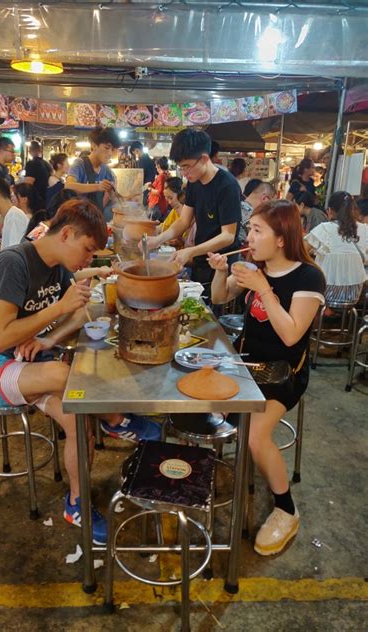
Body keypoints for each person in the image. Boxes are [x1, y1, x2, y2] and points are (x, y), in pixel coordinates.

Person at [0, 198, 161, 544]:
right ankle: (116, 420)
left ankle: (76, 504)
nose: (87, 259)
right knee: (70, 378)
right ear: (66, 233)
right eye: (87, 250)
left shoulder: (58, 269)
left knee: (78, 416)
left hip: (25, 363)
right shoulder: (13, 262)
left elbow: (79, 313)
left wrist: (50, 340)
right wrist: (58, 311)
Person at [209, 199, 326, 556]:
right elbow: (219, 296)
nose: (250, 236)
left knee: (255, 439)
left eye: (258, 230)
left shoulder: (308, 277)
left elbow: (291, 335)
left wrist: (262, 288)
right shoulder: (254, 266)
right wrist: (219, 270)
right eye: (250, 229)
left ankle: (286, 510)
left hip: (284, 374)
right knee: (197, 401)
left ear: (281, 238)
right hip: (246, 366)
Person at [145, 129, 242, 293]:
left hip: (221, 264)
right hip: (200, 259)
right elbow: (184, 221)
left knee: (212, 310)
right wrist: (158, 239)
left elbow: (228, 235)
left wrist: (191, 251)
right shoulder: (193, 182)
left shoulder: (227, 186)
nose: (184, 173)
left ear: (204, 159)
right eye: (180, 168)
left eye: (186, 167)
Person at [305, 191, 367, 305]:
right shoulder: (364, 229)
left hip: (325, 294)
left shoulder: (324, 229)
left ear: (329, 211)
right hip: (354, 295)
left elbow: (301, 252)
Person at [65, 127, 120, 220]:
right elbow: (68, 186)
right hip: (78, 219)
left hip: (95, 219)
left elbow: (114, 198)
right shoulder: (80, 164)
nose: (110, 153)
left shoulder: (106, 170)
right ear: (94, 146)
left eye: (112, 149)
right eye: (106, 148)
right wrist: (98, 186)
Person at [161, 177, 195, 249]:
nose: (169, 201)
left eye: (171, 198)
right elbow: (165, 227)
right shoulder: (175, 210)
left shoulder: (194, 220)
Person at [130, 141, 157, 207]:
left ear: (136, 150)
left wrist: (131, 190)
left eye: (134, 154)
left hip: (146, 190)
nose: (135, 156)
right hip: (150, 188)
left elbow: (139, 178)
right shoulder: (149, 159)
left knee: (143, 209)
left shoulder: (143, 160)